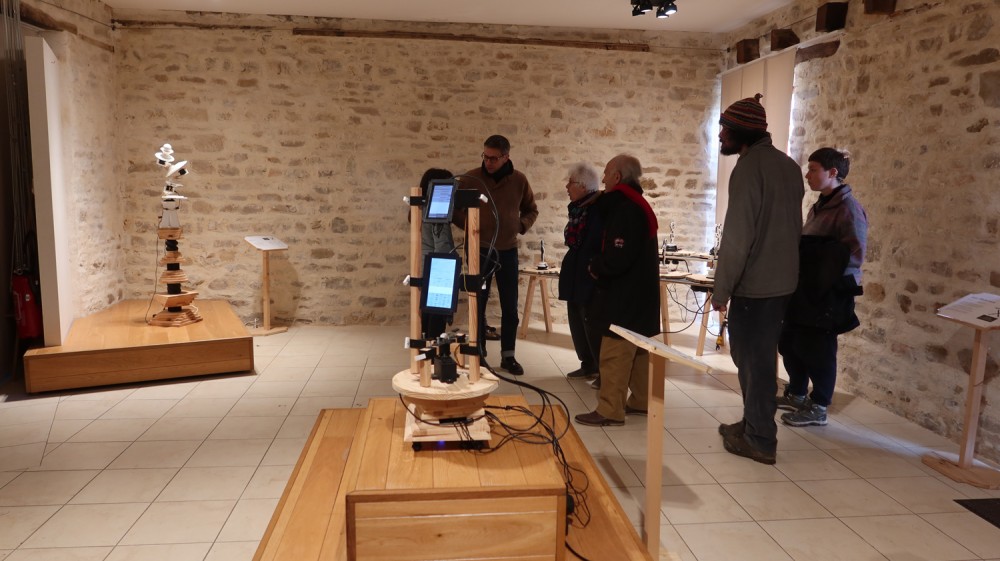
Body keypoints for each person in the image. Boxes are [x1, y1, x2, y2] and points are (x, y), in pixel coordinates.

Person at [713, 94, 804, 464]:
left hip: (756, 285)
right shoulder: (788, 166)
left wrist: (721, 289)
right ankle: (754, 424)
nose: (720, 134)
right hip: (782, 283)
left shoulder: (749, 169)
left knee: (754, 363)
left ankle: (761, 439)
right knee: (758, 360)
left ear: (742, 131)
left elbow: (738, 237)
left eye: (725, 128)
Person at [777, 148, 868, 426]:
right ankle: (797, 393)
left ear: (833, 172)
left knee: (819, 349)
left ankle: (818, 406)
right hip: (806, 288)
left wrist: (825, 279)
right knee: (791, 343)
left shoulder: (848, 208)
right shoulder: (820, 205)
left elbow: (855, 254)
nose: (808, 175)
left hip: (828, 293)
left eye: (813, 169)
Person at [574, 154, 659, 427]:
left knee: (615, 351)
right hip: (640, 294)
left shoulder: (625, 208)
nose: (603, 178)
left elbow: (618, 255)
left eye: (607, 172)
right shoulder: (638, 203)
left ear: (618, 177)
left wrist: (596, 266)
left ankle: (610, 409)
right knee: (639, 349)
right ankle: (642, 400)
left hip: (624, 296)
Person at [458, 135, 538, 375]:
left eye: (494, 158)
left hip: (507, 251)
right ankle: (479, 353)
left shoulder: (519, 180)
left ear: (506, 157)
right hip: (478, 250)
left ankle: (508, 356)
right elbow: (454, 209)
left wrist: (520, 225)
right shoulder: (470, 179)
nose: (489, 162)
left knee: (510, 306)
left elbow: (531, 210)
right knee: (478, 303)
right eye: (486, 156)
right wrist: (470, 227)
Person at [558, 162, 604, 382]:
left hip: (588, 274)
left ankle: (601, 368)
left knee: (591, 322)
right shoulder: (578, 209)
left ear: (584, 186)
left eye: (571, 183)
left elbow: (595, 242)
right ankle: (587, 364)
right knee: (576, 319)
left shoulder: (597, 210)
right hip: (575, 273)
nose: (567, 187)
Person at [415, 167, 456, 341]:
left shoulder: (419, 207)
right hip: (438, 266)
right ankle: (435, 351)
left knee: (427, 312)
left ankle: (427, 347)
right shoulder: (437, 210)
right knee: (437, 314)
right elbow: (442, 243)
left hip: (425, 263)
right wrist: (448, 266)